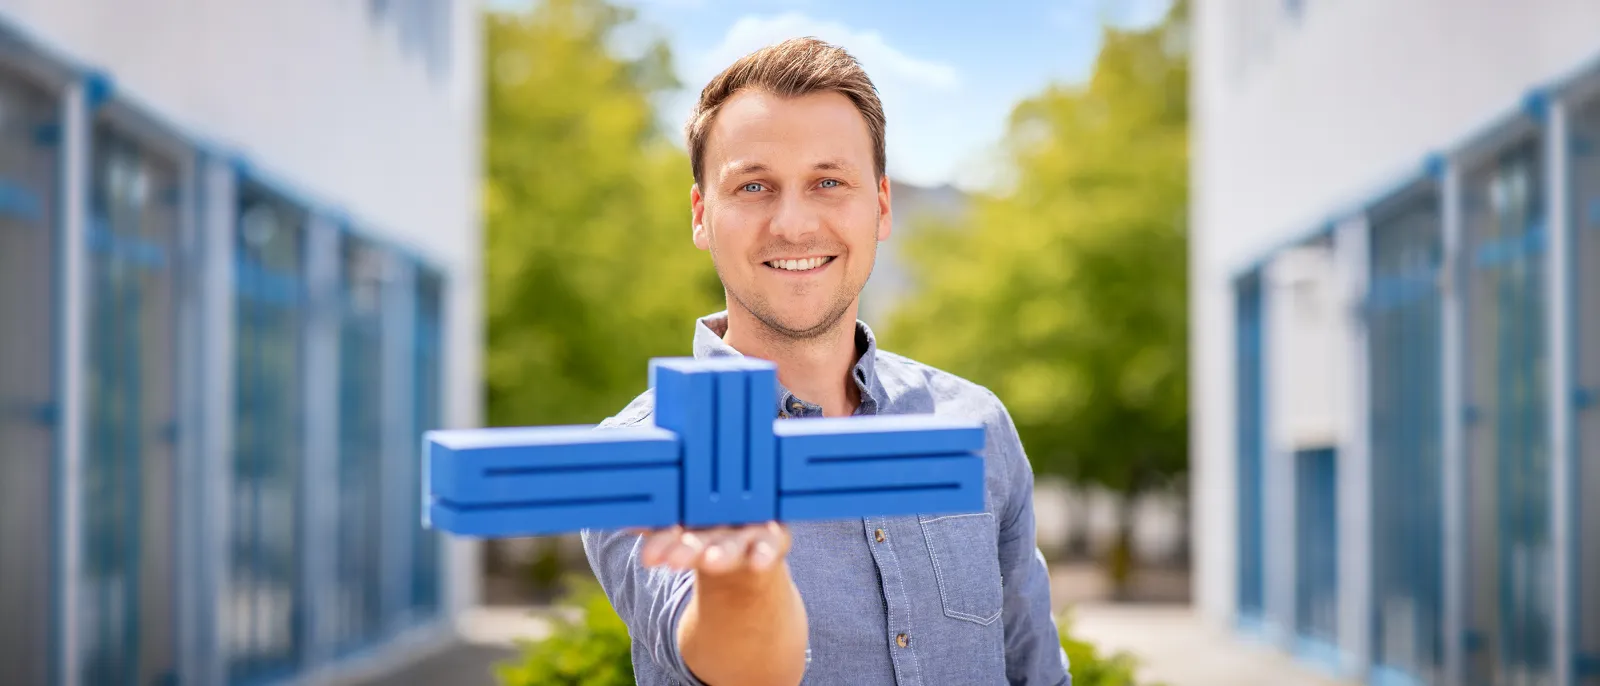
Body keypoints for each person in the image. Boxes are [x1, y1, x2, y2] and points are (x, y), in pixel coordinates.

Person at [581, 36, 1072, 686]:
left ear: (882, 205)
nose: (793, 223)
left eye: (828, 182)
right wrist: (743, 580)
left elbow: (1036, 673)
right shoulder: (640, 457)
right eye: (753, 186)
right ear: (702, 216)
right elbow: (731, 663)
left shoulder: (974, 426)